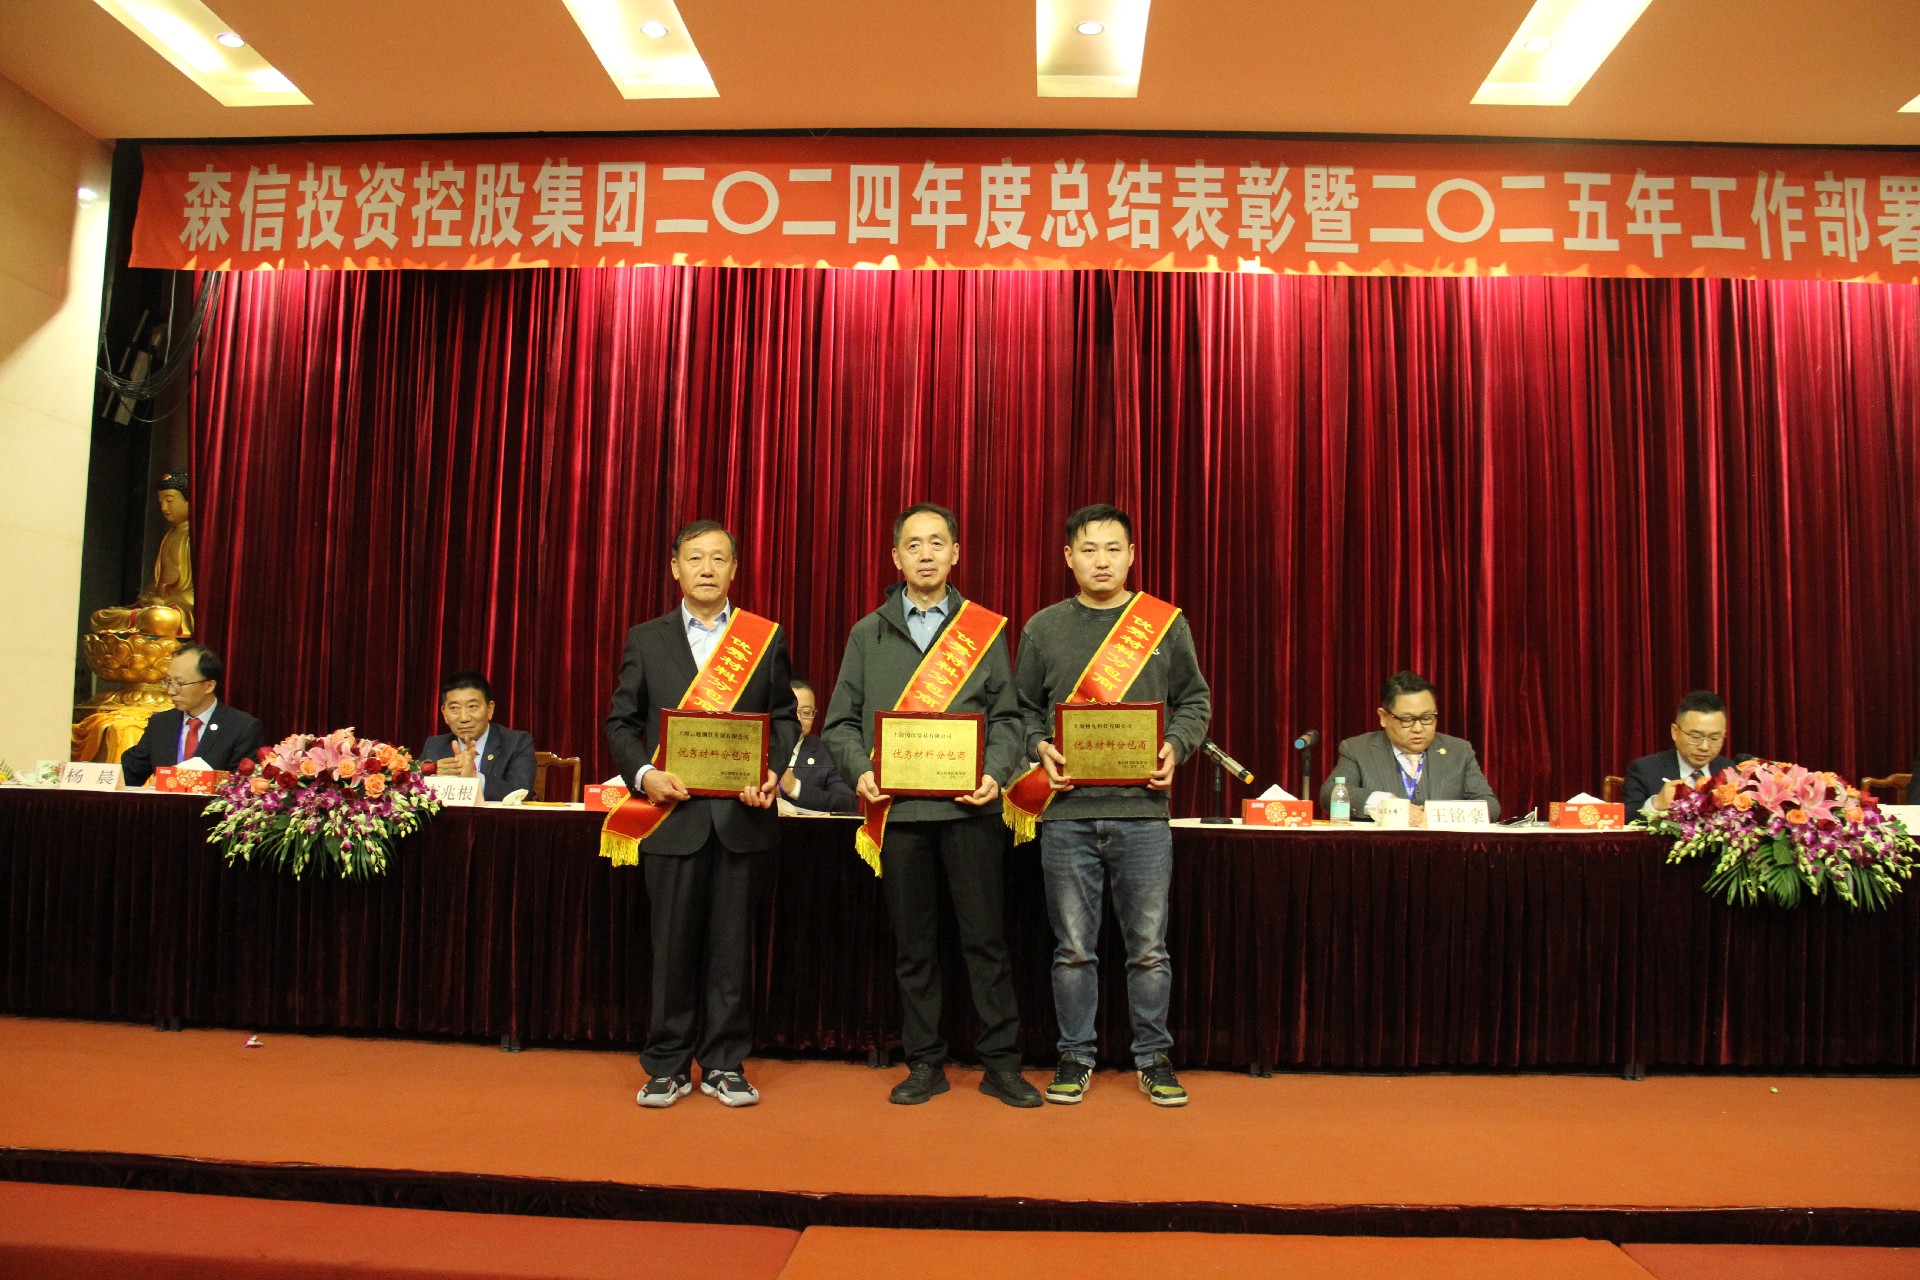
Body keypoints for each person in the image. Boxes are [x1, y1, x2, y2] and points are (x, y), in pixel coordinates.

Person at [822, 503, 1040, 1108]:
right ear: (896, 557)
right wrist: (862, 771)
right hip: (901, 816)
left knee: (986, 942)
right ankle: (924, 1062)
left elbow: (1008, 719)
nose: (925, 554)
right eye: (913, 544)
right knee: (914, 947)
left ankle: (1002, 1064)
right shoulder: (867, 633)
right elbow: (839, 723)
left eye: (936, 543)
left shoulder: (983, 630)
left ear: (955, 553)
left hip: (971, 812)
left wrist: (996, 773)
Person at [1011, 504, 1211, 1108]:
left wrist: (1176, 746)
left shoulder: (1163, 625)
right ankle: (1075, 1055)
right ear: (1068, 557)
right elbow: (1020, 711)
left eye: (1113, 549)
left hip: (1143, 814)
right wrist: (1039, 746)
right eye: (1088, 549)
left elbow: (1194, 702)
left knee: (1148, 949)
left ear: (1131, 556)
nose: (1101, 561)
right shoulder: (1043, 628)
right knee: (1074, 949)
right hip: (1066, 816)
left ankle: (1154, 1057)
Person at [604, 520, 799, 1110]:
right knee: (671, 949)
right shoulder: (647, 638)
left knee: (732, 952)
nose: (707, 568)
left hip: (743, 819)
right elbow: (621, 723)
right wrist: (645, 775)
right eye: (695, 558)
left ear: (735, 569)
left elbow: (784, 717)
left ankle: (725, 1064)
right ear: (675, 568)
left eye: (718, 558)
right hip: (672, 818)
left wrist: (772, 769)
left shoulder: (763, 638)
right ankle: (666, 1065)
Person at [1318, 671, 1501, 824]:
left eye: (1427, 718)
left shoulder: (1459, 751)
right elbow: (1329, 793)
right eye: (1407, 720)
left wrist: (1440, 815)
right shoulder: (1359, 749)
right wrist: (1386, 804)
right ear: (1383, 717)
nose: (1418, 728)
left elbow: (1490, 806)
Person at [119, 642, 264, 786]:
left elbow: (238, 786)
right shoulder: (161, 723)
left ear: (209, 686)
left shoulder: (242, 727)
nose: (171, 691)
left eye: (179, 684)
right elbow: (130, 772)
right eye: (168, 681)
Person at [420, 670, 536, 802]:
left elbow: (521, 792)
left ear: (489, 709)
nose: (464, 718)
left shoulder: (516, 742)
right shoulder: (434, 745)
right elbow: (411, 791)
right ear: (444, 714)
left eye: (472, 706)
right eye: (454, 708)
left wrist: (475, 778)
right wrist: (432, 773)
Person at [1623, 690, 1735, 816]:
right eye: (1695, 737)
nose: (1704, 747)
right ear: (1675, 732)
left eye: (1714, 738)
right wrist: (1656, 804)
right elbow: (1626, 819)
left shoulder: (1730, 771)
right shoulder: (1645, 770)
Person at [780, 679, 857, 813]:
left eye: (806, 713)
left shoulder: (826, 752)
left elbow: (847, 801)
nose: (798, 720)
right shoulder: (758, 746)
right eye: (792, 712)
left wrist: (796, 788)